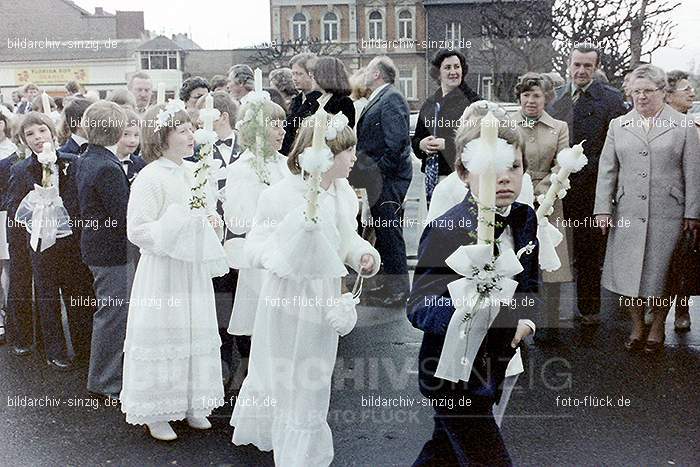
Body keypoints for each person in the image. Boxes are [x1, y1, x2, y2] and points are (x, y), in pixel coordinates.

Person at [230, 112, 380, 467]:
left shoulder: (342, 193)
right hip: (285, 296)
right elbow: (254, 246)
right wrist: (284, 255)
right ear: (326, 154)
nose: (354, 159)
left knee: (312, 372)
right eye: (348, 152)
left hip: (321, 296)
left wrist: (363, 254)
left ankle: (302, 449)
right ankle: (272, 430)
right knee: (280, 365)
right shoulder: (281, 195)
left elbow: (346, 238)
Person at [408, 112, 538, 466]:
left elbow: (528, 282)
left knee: (444, 453)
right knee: (488, 459)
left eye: (514, 166)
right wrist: (467, 305)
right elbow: (419, 305)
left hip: (497, 365)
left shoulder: (525, 218)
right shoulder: (446, 229)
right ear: (464, 173)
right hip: (450, 373)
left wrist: (525, 320)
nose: (505, 177)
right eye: (491, 167)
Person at [120, 101, 227, 441]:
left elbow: (209, 210)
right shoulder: (150, 178)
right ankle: (158, 410)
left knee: (193, 330)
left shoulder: (194, 172)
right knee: (165, 333)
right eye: (182, 131)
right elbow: (137, 229)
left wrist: (212, 221)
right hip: (164, 271)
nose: (191, 135)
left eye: (190, 129)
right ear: (162, 138)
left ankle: (193, 401)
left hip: (190, 270)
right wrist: (175, 230)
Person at [594, 64, 700, 353]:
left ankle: (656, 328)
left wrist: (693, 212)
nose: (641, 97)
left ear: (662, 92)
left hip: (669, 213)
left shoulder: (683, 126)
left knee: (662, 273)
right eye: (636, 91)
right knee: (628, 274)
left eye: (648, 91)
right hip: (627, 212)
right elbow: (607, 171)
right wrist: (602, 209)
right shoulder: (619, 125)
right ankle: (637, 325)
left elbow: (693, 172)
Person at [7, 112, 94, 370]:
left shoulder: (73, 162)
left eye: (41, 131)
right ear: (23, 140)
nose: (37, 138)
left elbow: (83, 199)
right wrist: (33, 207)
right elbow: (14, 208)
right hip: (42, 245)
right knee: (47, 298)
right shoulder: (21, 169)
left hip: (71, 242)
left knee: (78, 294)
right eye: (30, 134)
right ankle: (54, 350)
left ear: (53, 133)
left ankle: (84, 347)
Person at [547, 44, 627, 326]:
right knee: (554, 251)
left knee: (589, 252)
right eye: (576, 65)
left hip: (592, 189)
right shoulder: (554, 98)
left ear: (596, 68)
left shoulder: (611, 100)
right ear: (568, 65)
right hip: (555, 188)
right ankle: (552, 314)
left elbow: (617, 148)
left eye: (587, 66)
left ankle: (590, 311)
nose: (581, 71)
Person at [71, 102, 135, 397]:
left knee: (109, 313)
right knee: (113, 315)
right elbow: (124, 216)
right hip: (111, 253)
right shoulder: (108, 167)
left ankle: (105, 376)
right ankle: (105, 380)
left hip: (95, 248)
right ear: (119, 131)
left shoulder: (86, 158)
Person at [223, 96, 289, 365]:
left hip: (287, 254)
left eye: (284, 125)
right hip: (260, 257)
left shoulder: (286, 163)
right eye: (275, 125)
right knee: (260, 325)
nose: (282, 131)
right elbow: (237, 221)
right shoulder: (242, 168)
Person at [513, 73, 573, 345]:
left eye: (536, 95)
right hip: (516, 198)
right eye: (526, 95)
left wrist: (544, 192)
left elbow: (563, 163)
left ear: (546, 98)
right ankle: (514, 323)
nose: (530, 100)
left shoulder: (559, 127)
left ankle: (550, 324)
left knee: (552, 264)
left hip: (550, 200)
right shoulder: (509, 124)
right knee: (516, 260)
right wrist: (522, 188)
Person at [349, 55, 413, 307]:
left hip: (389, 178)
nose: (364, 74)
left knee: (390, 232)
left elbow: (396, 144)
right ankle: (390, 286)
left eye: (368, 70)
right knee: (385, 233)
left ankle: (399, 291)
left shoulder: (391, 98)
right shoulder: (381, 98)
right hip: (381, 178)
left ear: (377, 74)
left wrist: (376, 172)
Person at [193, 91, 243, 384]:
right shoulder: (197, 149)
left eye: (202, 121)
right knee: (220, 297)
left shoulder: (248, 145)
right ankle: (222, 362)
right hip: (213, 234)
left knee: (243, 296)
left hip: (242, 233)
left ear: (221, 117)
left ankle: (247, 361)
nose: (199, 127)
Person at [412, 48, 480, 205]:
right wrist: (421, 145)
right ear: (438, 73)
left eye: (457, 67)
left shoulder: (473, 103)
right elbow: (416, 138)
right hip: (430, 179)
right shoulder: (429, 104)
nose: (453, 72)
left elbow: (478, 140)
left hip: (460, 179)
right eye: (447, 67)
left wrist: (447, 144)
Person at [664, 70, 699, 333]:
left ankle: (682, 307)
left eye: (692, 88)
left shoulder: (696, 128)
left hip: (695, 202)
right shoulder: (660, 126)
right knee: (665, 258)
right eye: (685, 88)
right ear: (668, 94)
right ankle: (655, 308)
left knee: (689, 258)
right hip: (667, 202)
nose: (691, 92)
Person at [280, 53, 321, 156]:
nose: (294, 78)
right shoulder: (296, 100)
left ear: (312, 75)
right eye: (293, 74)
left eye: (299, 74)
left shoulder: (321, 101)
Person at [309, 56, 355, 127]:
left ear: (325, 76)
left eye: (314, 73)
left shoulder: (344, 103)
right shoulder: (317, 102)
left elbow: (344, 134)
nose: (311, 77)